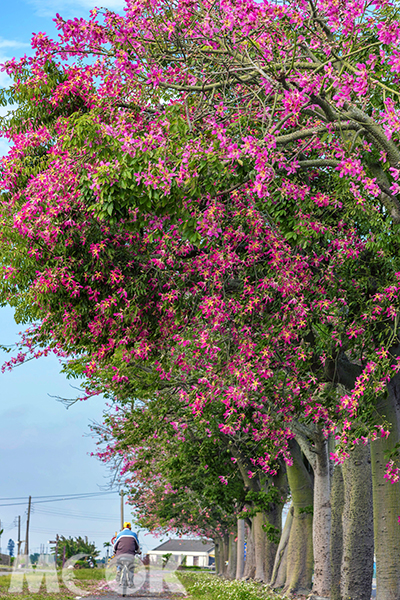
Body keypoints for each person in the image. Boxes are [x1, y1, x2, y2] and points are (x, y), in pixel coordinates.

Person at [113, 522, 140, 588]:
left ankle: (118, 570)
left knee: (119, 562)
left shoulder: (120, 534)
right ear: (130, 528)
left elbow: (115, 546)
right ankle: (131, 583)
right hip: (130, 555)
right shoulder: (134, 535)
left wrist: (114, 551)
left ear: (123, 528)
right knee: (131, 568)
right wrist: (139, 551)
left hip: (120, 554)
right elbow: (137, 546)